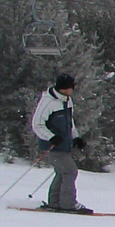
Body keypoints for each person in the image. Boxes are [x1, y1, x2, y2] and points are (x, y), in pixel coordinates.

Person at [31, 73, 92, 214]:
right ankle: (68, 204)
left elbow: (69, 123)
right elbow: (37, 124)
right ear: (64, 88)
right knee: (70, 171)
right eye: (72, 87)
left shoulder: (67, 100)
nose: (73, 89)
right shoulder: (48, 102)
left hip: (64, 145)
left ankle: (55, 202)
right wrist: (51, 137)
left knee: (61, 172)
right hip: (52, 146)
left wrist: (75, 138)